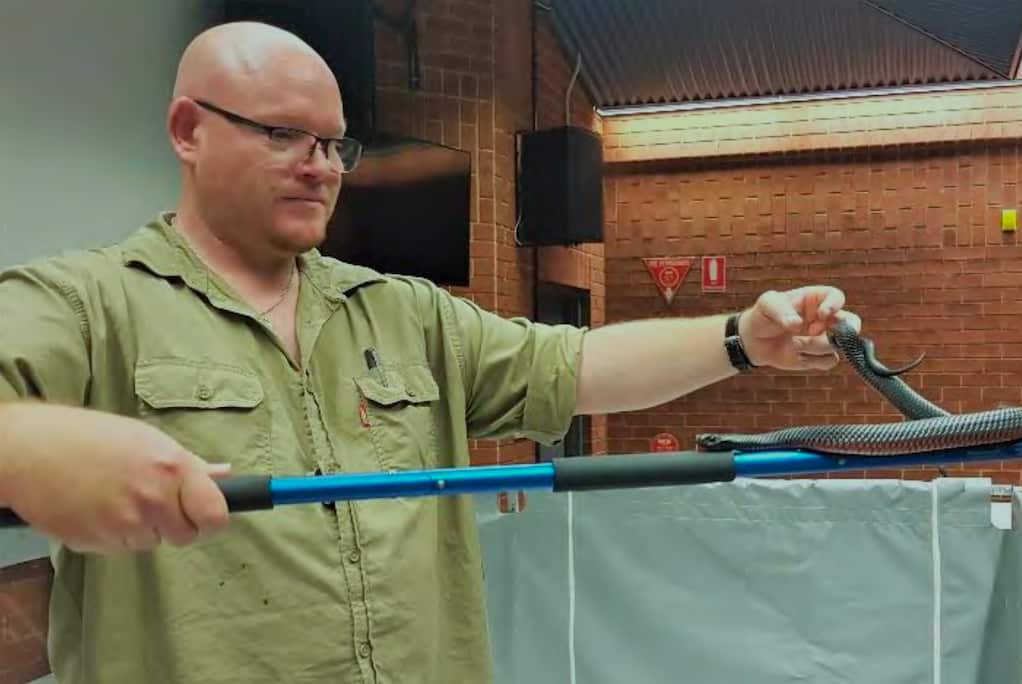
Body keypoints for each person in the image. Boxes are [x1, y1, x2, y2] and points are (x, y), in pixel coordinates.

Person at [0, 22, 861, 684]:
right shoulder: (89, 303)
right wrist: (35, 446)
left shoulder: (404, 313)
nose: (322, 168)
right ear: (189, 130)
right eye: (282, 136)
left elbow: (579, 366)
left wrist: (741, 340)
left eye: (335, 144)